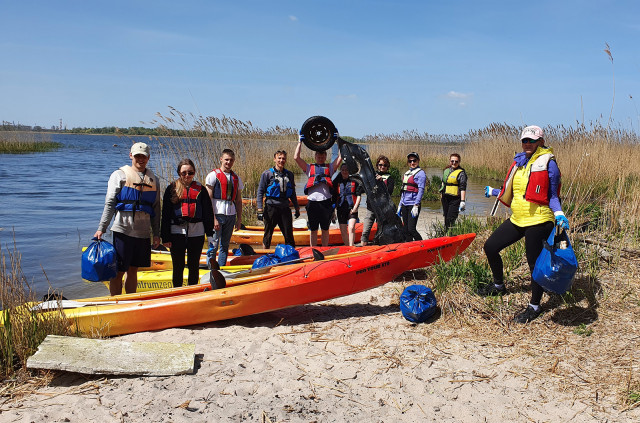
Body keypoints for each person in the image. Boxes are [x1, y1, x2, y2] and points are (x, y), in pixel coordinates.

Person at [481, 125, 570, 323]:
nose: (527, 144)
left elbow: (553, 195)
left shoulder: (549, 163)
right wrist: (495, 192)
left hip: (539, 219)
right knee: (490, 247)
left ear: (541, 141)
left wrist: (559, 214)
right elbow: (518, 191)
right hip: (518, 218)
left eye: (531, 140)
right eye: (524, 140)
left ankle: (535, 306)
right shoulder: (519, 162)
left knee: (534, 262)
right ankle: (498, 286)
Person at [94, 142, 161, 296]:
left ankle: (130, 300)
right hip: (123, 230)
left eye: (143, 156)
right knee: (119, 270)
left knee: (133, 269)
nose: (140, 159)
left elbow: (156, 209)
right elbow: (110, 202)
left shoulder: (154, 180)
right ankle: (115, 302)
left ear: (148, 158)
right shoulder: (119, 175)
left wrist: (156, 234)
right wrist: (101, 228)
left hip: (143, 233)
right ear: (131, 155)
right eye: (137, 156)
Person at [161, 159, 214, 287]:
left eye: (190, 173)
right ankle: (177, 292)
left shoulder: (201, 189)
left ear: (194, 173)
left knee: (193, 265)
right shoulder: (171, 188)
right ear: (179, 173)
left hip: (197, 232)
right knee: (178, 266)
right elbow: (166, 215)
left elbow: (208, 213)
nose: (187, 176)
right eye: (184, 173)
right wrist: (165, 237)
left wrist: (210, 234)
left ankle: (192, 291)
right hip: (176, 232)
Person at [294, 139, 342, 246]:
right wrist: (300, 142)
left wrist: (338, 141)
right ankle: (313, 250)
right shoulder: (309, 168)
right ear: (315, 157)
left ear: (325, 157)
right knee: (313, 230)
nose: (320, 158)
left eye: (322, 156)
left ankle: (324, 249)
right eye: (318, 156)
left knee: (325, 229)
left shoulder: (330, 167)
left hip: (326, 203)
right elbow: (296, 158)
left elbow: (340, 157)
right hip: (312, 203)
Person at [205, 149, 243, 267]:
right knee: (213, 245)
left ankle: (221, 268)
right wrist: (213, 218)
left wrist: (239, 219)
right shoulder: (213, 176)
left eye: (231, 160)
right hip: (218, 214)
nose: (228, 162)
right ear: (221, 159)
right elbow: (208, 199)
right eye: (226, 159)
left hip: (230, 215)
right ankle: (210, 269)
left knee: (225, 245)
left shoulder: (236, 178)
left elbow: (238, 200)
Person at [256, 150, 301, 249]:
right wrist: (259, 210)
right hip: (271, 208)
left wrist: (297, 208)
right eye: (279, 158)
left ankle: (291, 256)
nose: (281, 160)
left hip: (285, 208)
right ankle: (264, 256)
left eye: (283, 158)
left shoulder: (289, 175)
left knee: (289, 235)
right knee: (267, 235)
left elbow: (292, 193)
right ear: (274, 159)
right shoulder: (267, 174)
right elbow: (260, 192)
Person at [361, 155, 395, 246]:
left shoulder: (390, 178)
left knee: (381, 230)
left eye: (384, 165)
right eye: (380, 165)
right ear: (377, 165)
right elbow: (363, 188)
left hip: (382, 209)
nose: (382, 167)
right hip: (371, 207)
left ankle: (379, 246)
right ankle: (362, 246)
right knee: (365, 231)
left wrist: (381, 182)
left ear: (387, 167)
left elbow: (389, 192)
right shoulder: (371, 175)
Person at [397, 152, 427, 241]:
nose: (412, 163)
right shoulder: (407, 173)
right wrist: (400, 205)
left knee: (411, 229)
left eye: (414, 160)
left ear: (418, 161)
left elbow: (421, 190)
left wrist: (416, 205)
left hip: (413, 205)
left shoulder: (421, 174)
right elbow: (404, 191)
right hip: (404, 204)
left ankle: (422, 245)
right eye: (410, 161)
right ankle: (409, 246)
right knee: (405, 229)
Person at [332, 163, 364, 246]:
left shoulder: (354, 181)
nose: (344, 171)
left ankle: (351, 246)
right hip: (341, 208)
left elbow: (358, 195)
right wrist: (333, 211)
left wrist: (355, 208)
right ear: (340, 171)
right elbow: (334, 197)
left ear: (349, 171)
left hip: (352, 208)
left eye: (346, 170)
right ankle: (347, 247)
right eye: (343, 170)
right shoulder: (337, 182)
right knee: (343, 231)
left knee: (351, 227)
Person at [439, 153, 467, 231]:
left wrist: (462, 201)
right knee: (446, 217)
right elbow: (443, 182)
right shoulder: (446, 171)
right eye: (452, 161)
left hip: (455, 199)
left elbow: (463, 187)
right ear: (450, 161)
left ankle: (451, 234)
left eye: (456, 161)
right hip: (445, 198)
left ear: (459, 162)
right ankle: (446, 234)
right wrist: (441, 194)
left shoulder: (461, 173)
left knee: (450, 219)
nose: (454, 163)